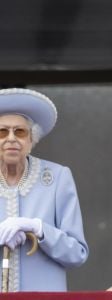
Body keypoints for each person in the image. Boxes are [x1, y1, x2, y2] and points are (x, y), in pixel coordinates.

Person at [0, 88, 89, 291]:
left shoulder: (58, 177)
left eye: (20, 132)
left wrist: (39, 229)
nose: (11, 139)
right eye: (2, 132)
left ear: (32, 140)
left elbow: (77, 254)